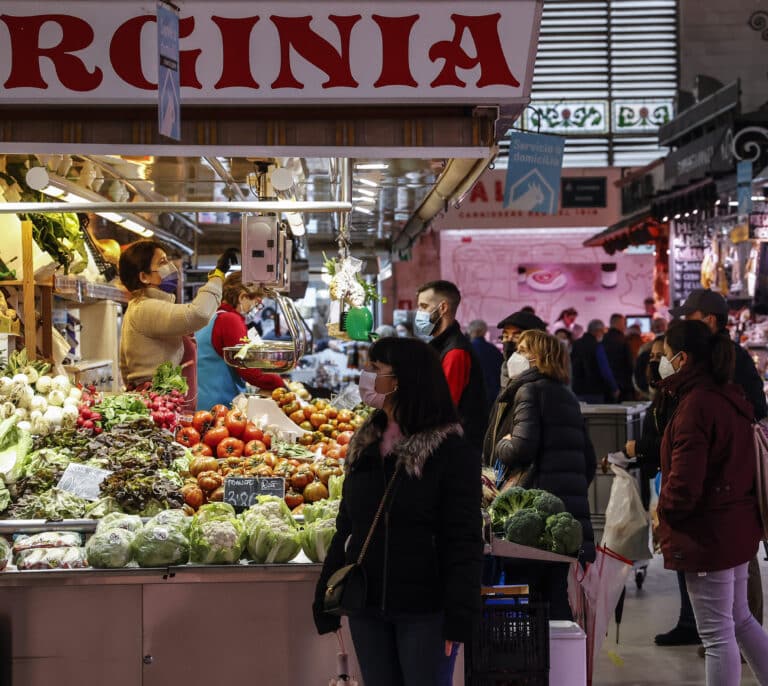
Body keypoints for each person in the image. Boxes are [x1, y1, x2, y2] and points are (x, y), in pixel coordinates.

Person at [312, 337, 483, 686]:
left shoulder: (450, 452)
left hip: (426, 610)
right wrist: (324, 594)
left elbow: (464, 537)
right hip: (367, 606)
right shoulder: (366, 443)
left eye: (375, 369)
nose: (365, 376)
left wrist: (459, 614)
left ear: (403, 381)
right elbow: (348, 522)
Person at [655, 319, 768, 685]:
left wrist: (663, 514)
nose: (662, 361)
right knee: (739, 620)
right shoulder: (728, 395)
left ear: (683, 358)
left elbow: (685, 483)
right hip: (733, 526)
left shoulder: (696, 405)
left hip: (708, 533)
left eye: (666, 355)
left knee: (718, 635)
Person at [670, 288, 767, 633]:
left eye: (690, 317)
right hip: (723, 484)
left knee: (740, 571)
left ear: (709, 320)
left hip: (727, 484)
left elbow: (750, 413)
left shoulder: (730, 360)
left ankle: (740, 632)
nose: (684, 323)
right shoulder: (715, 359)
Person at [483, 329, 596, 619]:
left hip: (533, 515)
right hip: (566, 516)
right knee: (555, 594)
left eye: (522, 348)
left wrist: (503, 443)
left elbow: (521, 448)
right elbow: (589, 460)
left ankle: (534, 663)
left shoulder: (528, 390)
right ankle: (562, 662)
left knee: (528, 595)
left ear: (537, 356)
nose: (514, 354)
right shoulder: (566, 395)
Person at [118, 241, 237, 409]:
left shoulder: (145, 306)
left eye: (168, 260)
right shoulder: (145, 308)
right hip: (159, 410)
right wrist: (217, 276)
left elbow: (125, 367)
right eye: (162, 262)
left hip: (164, 407)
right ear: (144, 276)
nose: (171, 267)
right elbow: (198, 313)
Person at [415, 280, 488, 449]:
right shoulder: (440, 346)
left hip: (455, 451)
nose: (419, 313)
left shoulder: (455, 352)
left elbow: (443, 407)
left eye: (424, 306)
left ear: (443, 308)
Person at [196, 272, 285, 410]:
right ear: (242, 297)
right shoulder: (230, 320)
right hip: (219, 406)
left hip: (202, 401)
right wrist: (281, 384)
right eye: (257, 303)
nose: (256, 309)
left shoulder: (211, 316)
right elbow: (248, 369)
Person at [570, 319, 620, 403]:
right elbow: (604, 369)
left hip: (577, 389)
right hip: (595, 390)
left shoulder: (576, 344)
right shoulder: (597, 346)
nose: (603, 335)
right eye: (602, 332)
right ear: (597, 331)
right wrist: (614, 387)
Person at [496, 310, 548, 388]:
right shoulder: (505, 373)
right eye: (505, 336)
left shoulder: (543, 385)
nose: (509, 342)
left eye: (517, 337)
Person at [467, 319, 503, 404]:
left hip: (473, 397)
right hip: (493, 396)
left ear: (473, 332)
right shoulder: (494, 350)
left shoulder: (468, 349)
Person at [603, 313, 635, 401]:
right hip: (623, 385)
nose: (625, 326)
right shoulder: (624, 340)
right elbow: (629, 364)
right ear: (620, 323)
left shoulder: (602, 339)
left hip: (605, 385)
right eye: (624, 323)